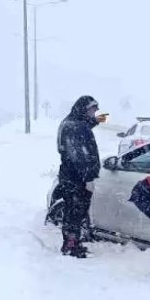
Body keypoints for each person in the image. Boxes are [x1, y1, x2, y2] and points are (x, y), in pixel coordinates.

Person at [56, 95, 104, 257]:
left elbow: (86, 125)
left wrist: (98, 120)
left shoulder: (74, 122)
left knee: (76, 212)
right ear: (83, 109)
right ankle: (70, 245)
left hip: (72, 176)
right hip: (75, 178)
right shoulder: (74, 126)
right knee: (74, 213)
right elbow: (78, 156)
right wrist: (88, 178)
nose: (94, 113)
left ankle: (73, 243)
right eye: (92, 110)